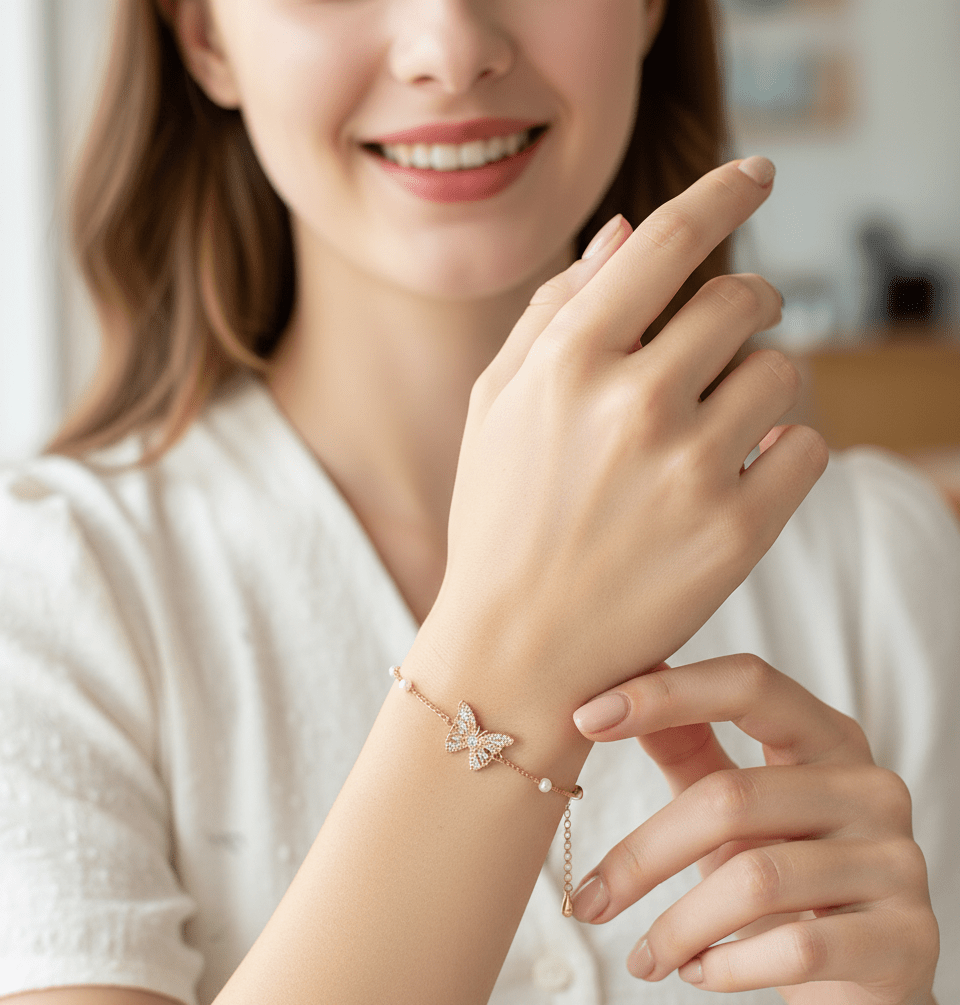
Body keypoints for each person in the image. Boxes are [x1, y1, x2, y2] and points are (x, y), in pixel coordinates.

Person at [0, 0, 956, 1003]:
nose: (450, 49)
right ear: (202, 34)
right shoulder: (47, 598)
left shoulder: (880, 565)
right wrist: (513, 661)